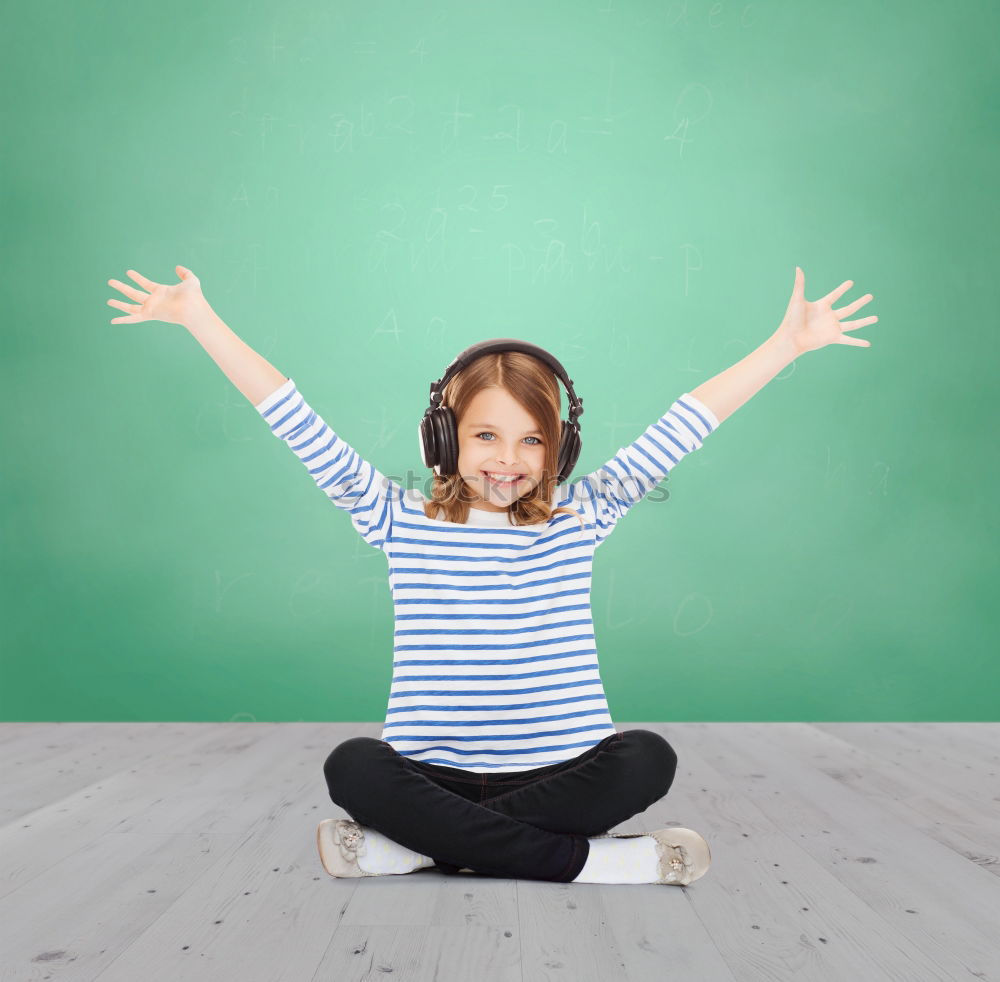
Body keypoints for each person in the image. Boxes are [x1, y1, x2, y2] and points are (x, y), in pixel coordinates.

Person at [107, 264, 877, 886]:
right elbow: (290, 414)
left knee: (649, 757)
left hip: (561, 774)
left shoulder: (584, 515)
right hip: (428, 778)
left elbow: (683, 426)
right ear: (443, 434)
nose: (507, 461)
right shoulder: (395, 517)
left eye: (531, 442)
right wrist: (199, 318)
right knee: (352, 765)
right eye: (484, 435)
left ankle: (415, 853)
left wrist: (787, 345)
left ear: (559, 452)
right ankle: (594, 865)